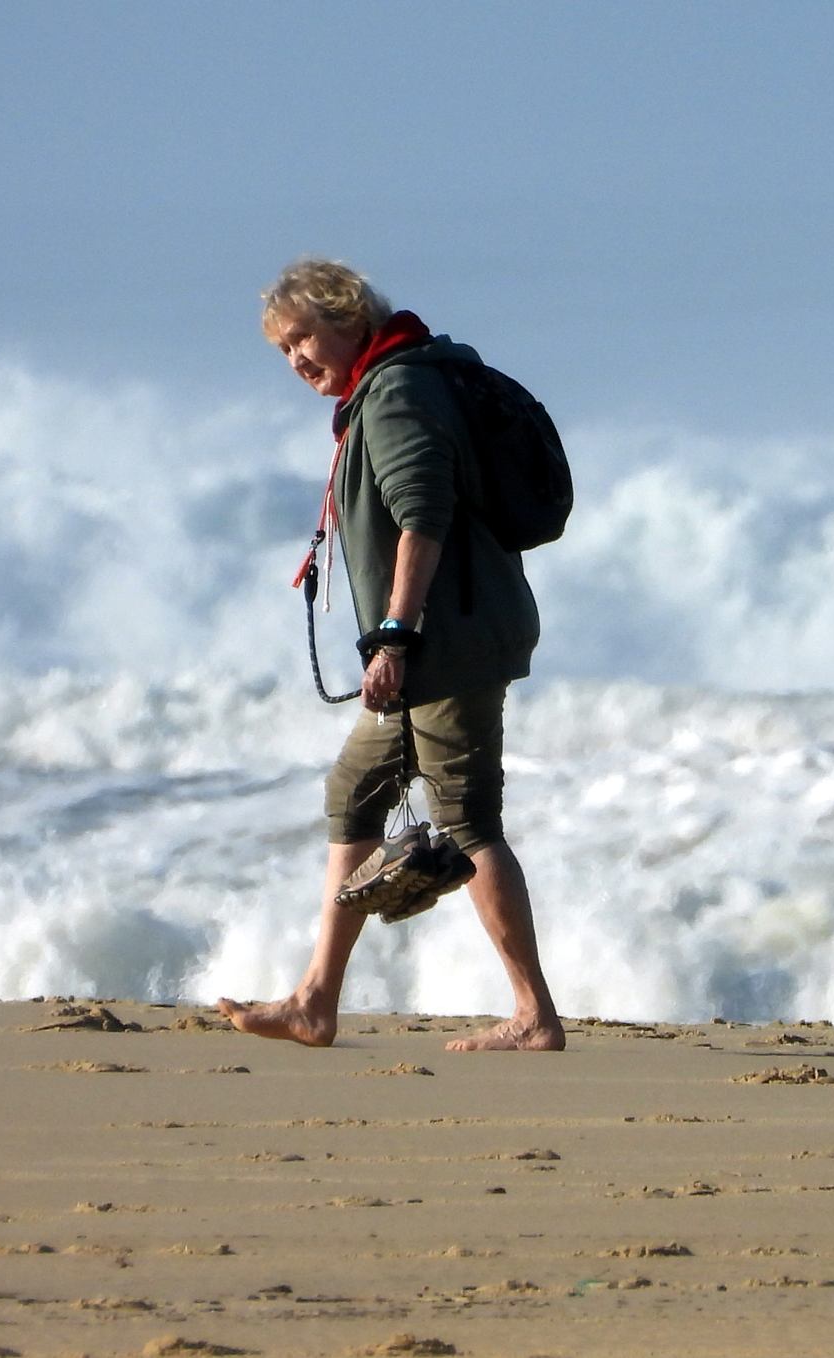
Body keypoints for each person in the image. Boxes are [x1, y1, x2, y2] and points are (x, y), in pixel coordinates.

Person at [217, 257, 565, 1053]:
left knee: (470, 822)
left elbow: (424, 515)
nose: (297, 358)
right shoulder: (388, 387)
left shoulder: (400, 392)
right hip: (446, 641)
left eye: (303, 336)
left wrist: (396, 635)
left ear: (348, 316)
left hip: (448, 645)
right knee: (353, 793)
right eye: (283, 350)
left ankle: (534, 1014)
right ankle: (314, 1001)